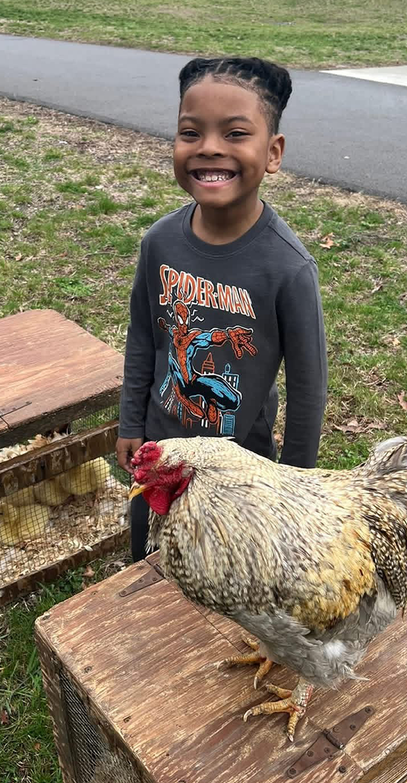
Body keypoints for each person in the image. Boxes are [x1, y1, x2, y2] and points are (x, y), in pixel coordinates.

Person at [116, 57, 328, 561]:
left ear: (272, 152)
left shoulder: (289, 268)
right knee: (152, 563)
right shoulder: (159, 242)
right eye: (191, 132)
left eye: (235, 134)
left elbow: (307, 389)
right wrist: (130, 424)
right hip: (160, 450)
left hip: (239, 465)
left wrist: (293, 487)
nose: (209, 147)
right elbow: (144, 338)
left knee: (227, 570)